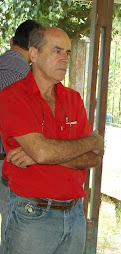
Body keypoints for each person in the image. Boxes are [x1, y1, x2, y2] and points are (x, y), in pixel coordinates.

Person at [0, 26, 104, 254]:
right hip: (33, 216)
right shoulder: (12, 97)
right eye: (57, 51)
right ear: (34, 54)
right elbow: (44, 152)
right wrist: (92, 141)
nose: (65, 59)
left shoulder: (73, 99)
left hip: (75, 214)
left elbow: (94, 159)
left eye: (67, 52)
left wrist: (40, 154)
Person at [0, 19, 42, 248]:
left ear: (11, 41)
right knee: (12, 224)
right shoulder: (30, 79)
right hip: (12, 160)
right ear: (35, 51)